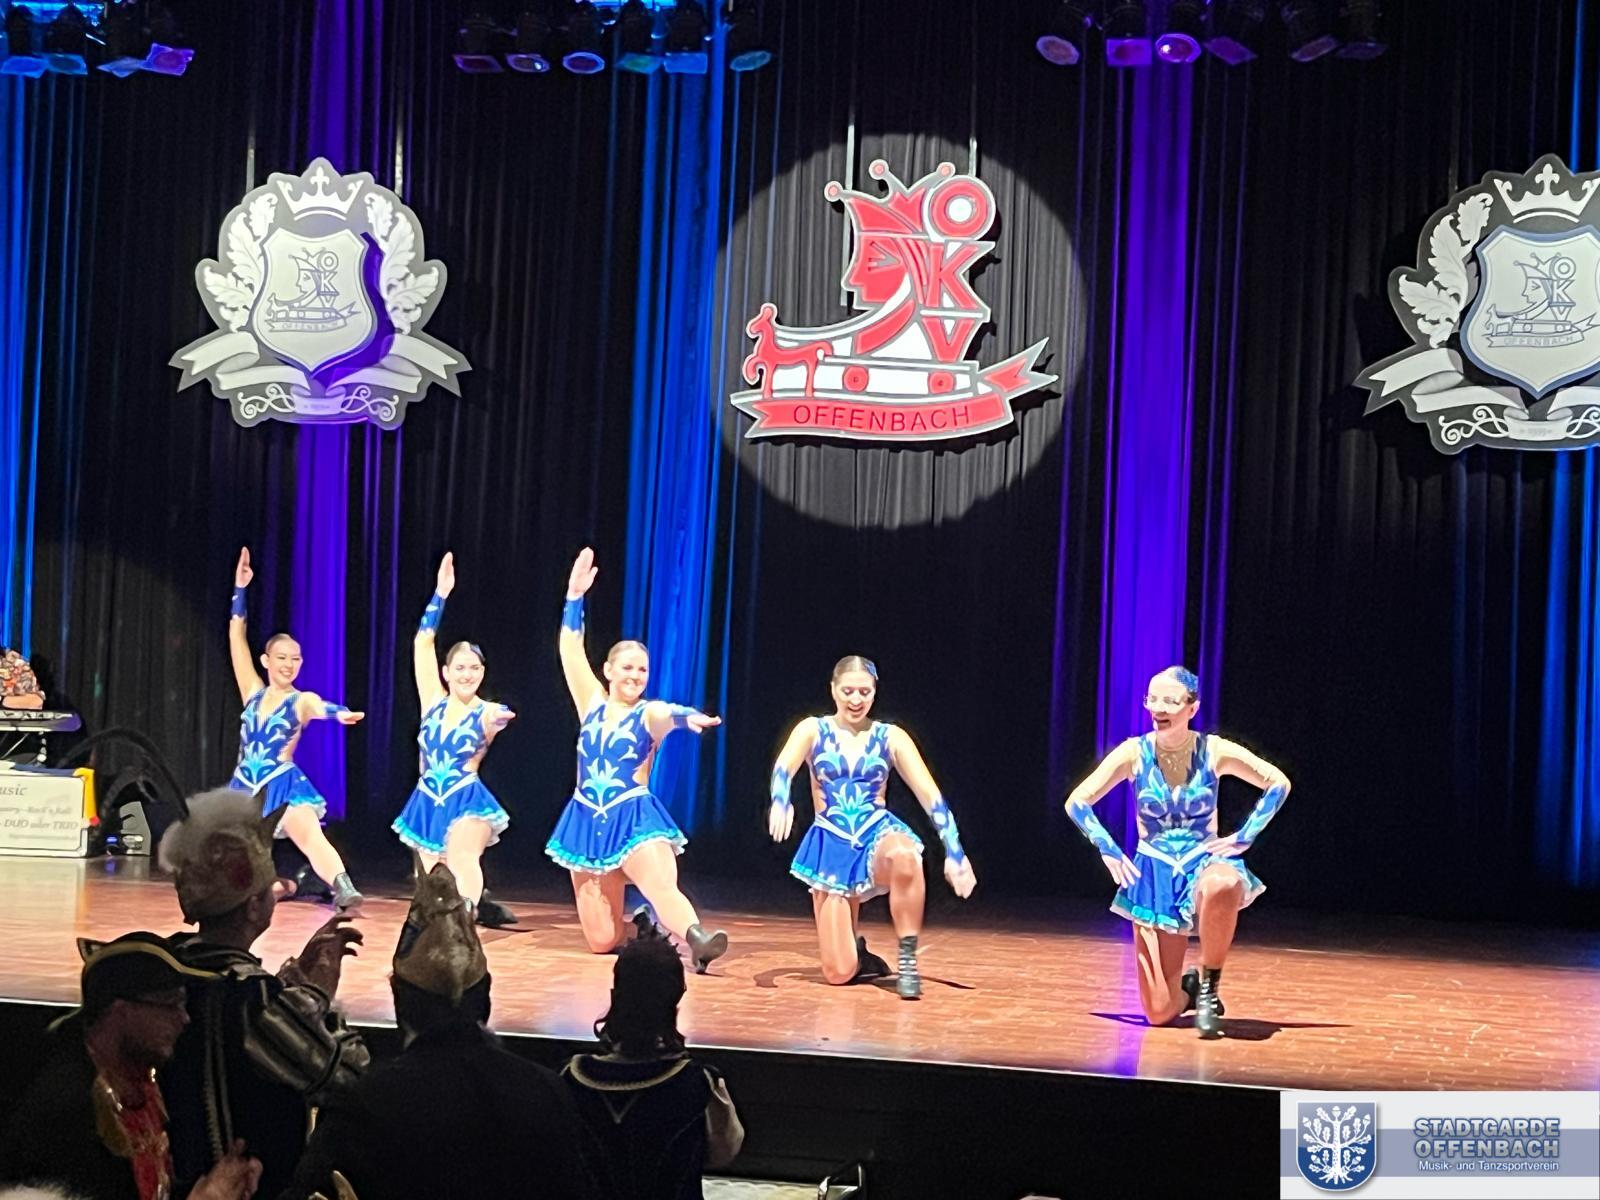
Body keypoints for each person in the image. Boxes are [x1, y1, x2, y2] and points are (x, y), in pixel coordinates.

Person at [287, 865, 599, 1199]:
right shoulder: (544, 1090)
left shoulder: (367, 1099)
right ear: (486, 999)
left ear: (398, 1000)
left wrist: (312, 1000)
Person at [157, 789, 369, 1197]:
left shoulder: (169, 963)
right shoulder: (251, 999)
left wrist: (294, 982)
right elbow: (349, 1076)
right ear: (254, 908)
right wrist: (317, 996)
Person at [1064, 666, 1291, 1038]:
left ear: (1192, 708)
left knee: (1223, 883)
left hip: (1204, 860)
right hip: (1154, 875)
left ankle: (1208, 987)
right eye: (1152, 699)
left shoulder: (1214, 750)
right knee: (1159, 1012)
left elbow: (1277, 783)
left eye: (1170, 700)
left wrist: (1245, 835)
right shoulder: (1134, 753)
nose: (1159, 707)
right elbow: (1077, 802)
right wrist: (1108, 848)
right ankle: (1188, 991)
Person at [547, 547, 729, 972]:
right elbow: (570, 648)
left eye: (642, 670)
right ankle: (643, 930)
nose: (635, 676)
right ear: (608, 670)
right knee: (602, 941)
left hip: (634, 818)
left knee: (662, 885)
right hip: (586, 822)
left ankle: (697, 939)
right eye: (627, 668)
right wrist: (574, 597)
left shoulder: (647, 713)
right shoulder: (591, 702)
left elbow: (666, 713)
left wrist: (687, 717)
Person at [768, 655, 976, 999]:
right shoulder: (812, 730)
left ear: (875, 692)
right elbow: (782, 769)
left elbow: (930, 795)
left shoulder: (890, 737)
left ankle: (907, 959)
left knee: (905, 855)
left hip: (875, 835)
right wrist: (780, 799)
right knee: (838, 973)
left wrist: (954, 851)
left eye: (864, 692)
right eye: (848, 691)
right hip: (832, 846)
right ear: (833, 690)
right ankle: (859, 957)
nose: (856, 699)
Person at [0, 931, 262, 1200]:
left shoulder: (139, 1080)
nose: (184, 1018)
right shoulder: (67, 1111)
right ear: (121, 1011)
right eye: (170, 1004)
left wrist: (225, 1181)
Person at [562, 920, 744, 1200]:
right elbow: (723, 1153)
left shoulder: (570, 1078)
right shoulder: (699, 1083)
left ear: (615, 994)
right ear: (677, 998)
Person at [226, 548, 364, 911]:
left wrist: (339, 714)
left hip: (284, 783)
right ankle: (288, 884)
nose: (289, 664)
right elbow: (236, 637)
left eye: (295, 659)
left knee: (309, 833)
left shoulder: (300, 700)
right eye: (282, 658)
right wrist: (240, 589)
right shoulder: (253, 692)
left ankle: (343, 886)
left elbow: (320, 707)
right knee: (241, 873)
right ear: (266, 660)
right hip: (245, 785)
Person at [391, 553, 516, 918]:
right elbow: (422, 643)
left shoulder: (486, 710)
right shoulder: (432, 701)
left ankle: (470, 912)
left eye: (474, 667)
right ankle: (479, 904)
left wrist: (500, 717)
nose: (467, 674)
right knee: (433, 889)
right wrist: (440, 595)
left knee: (463, 857)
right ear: (446, 672)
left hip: (467, 799)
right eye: (460, 667)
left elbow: (497, 715)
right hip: (427, 801)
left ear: (482, 672)